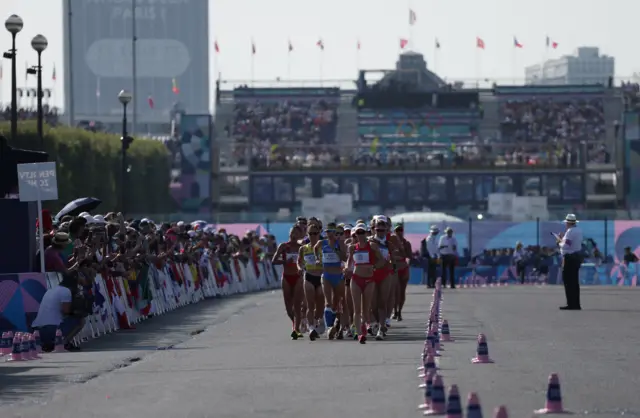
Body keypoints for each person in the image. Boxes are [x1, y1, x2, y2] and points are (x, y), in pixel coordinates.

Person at [345, 223, 384, 344]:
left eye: (362, 232)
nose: (360, 235)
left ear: (366, 233)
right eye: (358, 233)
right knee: (356, 309)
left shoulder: (372, 246)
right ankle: (360, 334)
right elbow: (349, 262)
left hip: (369, 280)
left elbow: (382, 260)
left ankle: (364, 327)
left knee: (365, 309)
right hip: (356, 279)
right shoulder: (352, 247)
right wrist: (347, 268)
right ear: (355, 234)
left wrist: (374, 267)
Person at [31, 274, 85, 352]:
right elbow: (66, 311)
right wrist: (77, 311)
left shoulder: (50, 290)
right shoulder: (66, 291)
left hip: (36, 331)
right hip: (51, 330)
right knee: (81, 320)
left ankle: (48, 344)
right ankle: (64, 343)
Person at [315, 222, 347, 340]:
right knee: (328, 302)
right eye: (327, 232)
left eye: (332, 232)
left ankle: (338, 323)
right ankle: (329, 327)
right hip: (326, 275)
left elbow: (345, 258)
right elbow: (315, 248)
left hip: (338, 276)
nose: (329, 234)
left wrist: (335, 249)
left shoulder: (340, 243)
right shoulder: (321, 243)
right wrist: (318, 259)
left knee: (339, 303)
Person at [272, 225, 304, 339]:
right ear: (289, 234)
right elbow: (274, 261)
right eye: (292, 233)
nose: (294, 235)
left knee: (296, 304)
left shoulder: (302, 247)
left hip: (298, 277)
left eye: (296, 233)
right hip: (286, 277)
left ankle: (296, 329)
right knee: (288, 307)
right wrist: (285, 261)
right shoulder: (283, 246)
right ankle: (295, 323)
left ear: (300, 235)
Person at [297, 223, 324, 341]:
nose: (313, 236)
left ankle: (318, 320)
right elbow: (299, 262)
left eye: (315, 233)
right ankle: (311, 327)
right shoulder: (303, 248)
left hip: (321, 277)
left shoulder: (323, 247)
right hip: (308, 276)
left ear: (319, 234)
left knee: (320, 306)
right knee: (310, 303)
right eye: (310, 233)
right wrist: (299, 268)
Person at [556, 214, 583, 310]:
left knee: (568, 281)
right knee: (574, 282)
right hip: (576, 257)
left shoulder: (570, 232)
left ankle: (571, 303)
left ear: (568, 223)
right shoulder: (578, 231)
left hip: (569, 258)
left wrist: (559, 242)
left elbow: (566, 245)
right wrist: (563, 239)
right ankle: (576, 303)